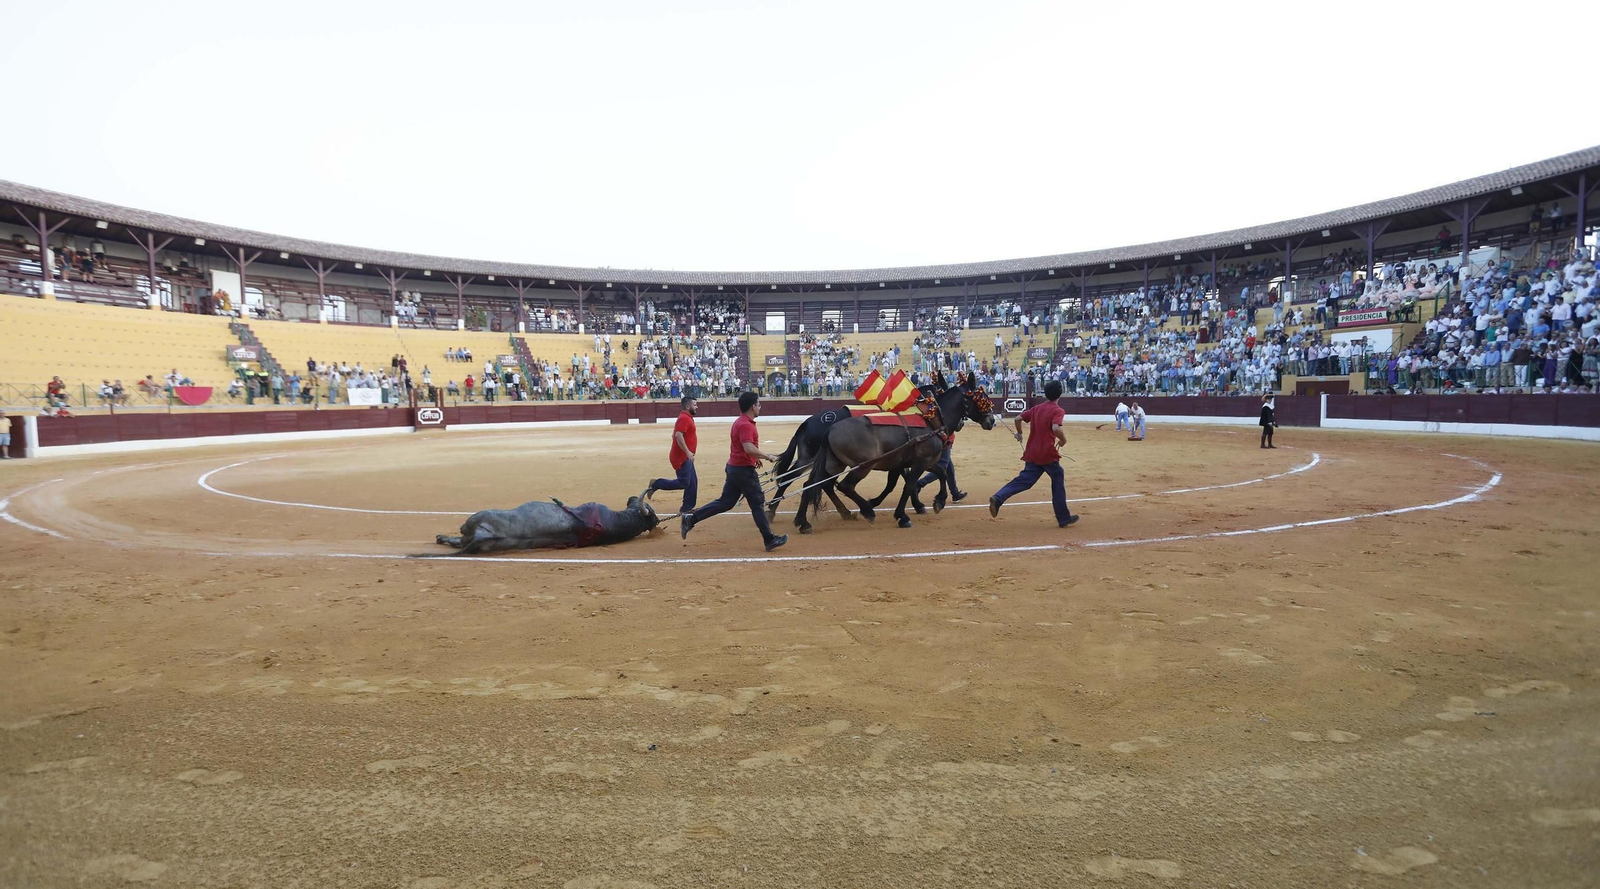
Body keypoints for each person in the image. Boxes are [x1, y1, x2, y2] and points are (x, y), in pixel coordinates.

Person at [680, 391, 788, 552]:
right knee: (757, 503)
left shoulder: (741, 422)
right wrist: (766, 456)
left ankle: (691, 519)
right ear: (753, 407)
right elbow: (748, 448)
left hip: (735, 467)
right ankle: (769, 539)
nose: (760, 407)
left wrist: (755, 459)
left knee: (726, 502)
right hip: (743, 471)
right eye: (758, 404)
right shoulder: (746, 425)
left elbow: (743, 448)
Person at [988, 380, 1077, 528]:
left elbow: (1018, 419)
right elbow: (1056, 428)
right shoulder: (1057, 410)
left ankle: (998, 497)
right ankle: (1063, 518)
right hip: (1047, 453)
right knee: (1058, 476)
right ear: (1060, 393)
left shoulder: (1037, 408)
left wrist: (1020, 433)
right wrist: (1063, 440)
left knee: (1025, 480)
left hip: (1032, 451)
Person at [646, 396, 699, 512]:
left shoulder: (686, 417)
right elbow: (678, 435)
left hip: (686, 456)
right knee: (684, 482)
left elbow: (675, 434)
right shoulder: (684, 418)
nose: (697, 407)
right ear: (687, 406)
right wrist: (688, 452)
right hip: (681, 457)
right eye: (695, 405)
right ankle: (657, 484)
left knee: (692, 482)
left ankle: (687, 508)